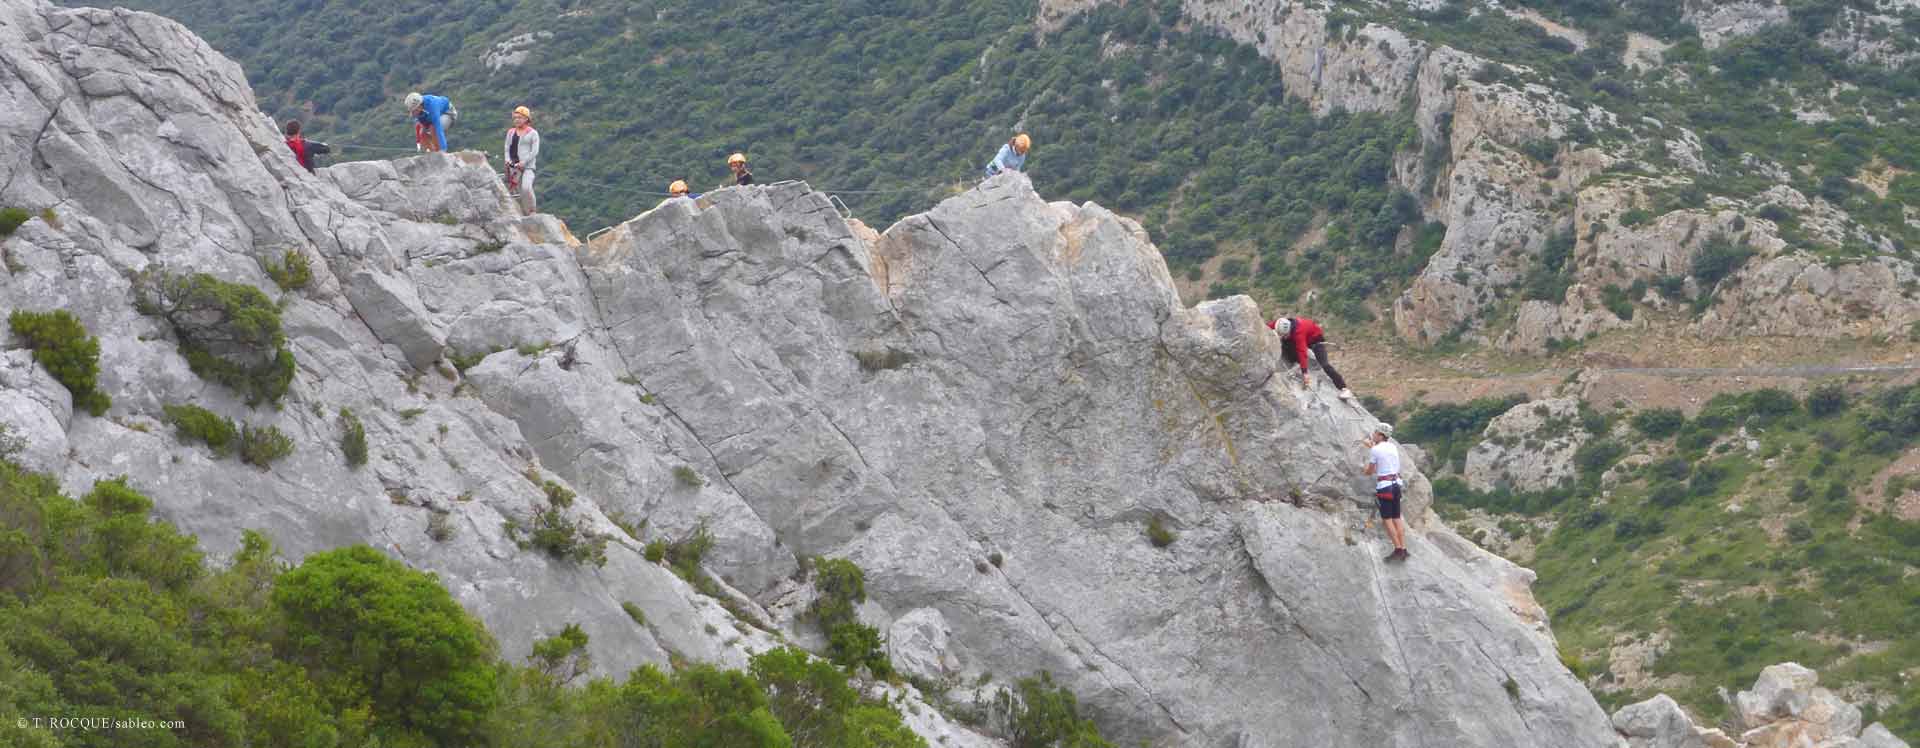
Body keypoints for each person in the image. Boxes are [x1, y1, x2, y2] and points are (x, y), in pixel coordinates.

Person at [1269, 316, 1353, 401]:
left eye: (1284, 335)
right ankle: (1293, 358)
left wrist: (1305, 373)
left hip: (1316, 342)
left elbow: (1302, 352)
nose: (1282, 336)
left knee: (1325, 365)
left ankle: (1344, 389)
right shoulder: (1281, 323)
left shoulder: (1298, 333)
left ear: (1289, 331)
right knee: (1287, 346)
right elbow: (1268, 326)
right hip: (1303, 337)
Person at [1363, 422, 1410, 562]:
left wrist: (1364, 470)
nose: (1373, 435)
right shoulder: (1392, 447)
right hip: (1396, 485)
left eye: (1375, 433)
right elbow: (1383, 457)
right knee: (1396, 517)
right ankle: (1404, 548)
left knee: (1387, 519)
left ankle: (1397, 550)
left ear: (1379, 435)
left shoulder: (1375, 450)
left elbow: (1370, 470)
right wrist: (1373, 448)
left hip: (1385, 487)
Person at [503, 106, 540, 213]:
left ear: (526, 119)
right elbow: (506, 148)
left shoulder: (533, 133)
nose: (517, 120)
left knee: (526, 188)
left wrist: (524, 162)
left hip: (528, 167)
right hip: (514, 168)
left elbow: (534, 151)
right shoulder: (511, 132)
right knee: (519, 192)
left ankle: (533, 209)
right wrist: (507, 160)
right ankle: (526, 212)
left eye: (519, 117)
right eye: (515, 118)